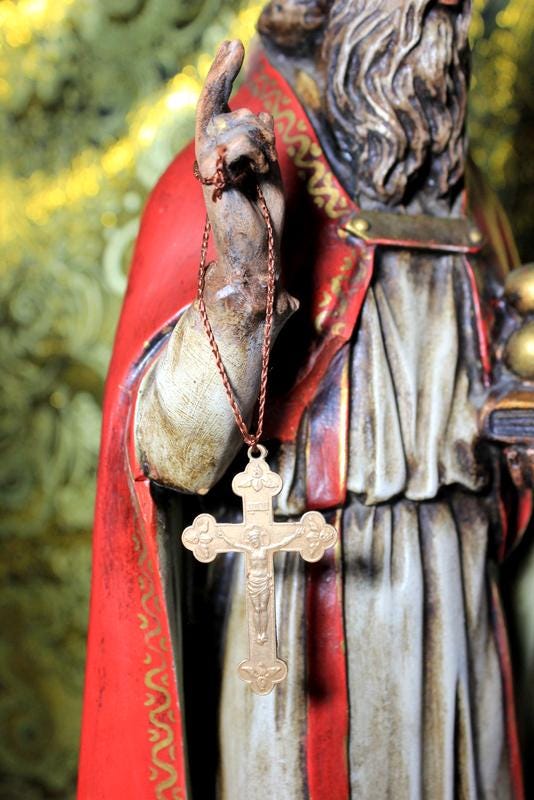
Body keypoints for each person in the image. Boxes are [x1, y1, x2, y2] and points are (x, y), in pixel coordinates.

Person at [78, 2, 533, 798]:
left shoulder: (467, 202)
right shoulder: (234, 181)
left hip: (458, 614)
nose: (447, 11)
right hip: (298, 610)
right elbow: (170, 455)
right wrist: (241, 285)